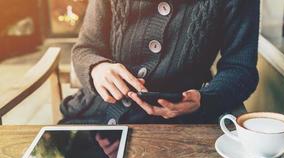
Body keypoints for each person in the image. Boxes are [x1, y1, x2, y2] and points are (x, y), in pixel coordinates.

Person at [60, 0, 260, 125]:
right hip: (92, 118)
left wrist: (205, 100)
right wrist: (97, 68)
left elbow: (241, 69)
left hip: (175, 127)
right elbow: (85, 48)